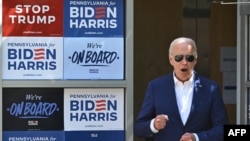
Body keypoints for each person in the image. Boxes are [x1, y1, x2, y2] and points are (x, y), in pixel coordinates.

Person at [134, 37, 228, 141]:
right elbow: (138, 128)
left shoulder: (211, 88)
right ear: (171, 60)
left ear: (195, 60)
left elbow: (222, 130)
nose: (184, 62)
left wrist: (197, 137)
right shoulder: (156, 87)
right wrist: (154, 125)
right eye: (179, 57)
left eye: (189, 58)